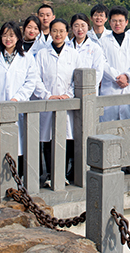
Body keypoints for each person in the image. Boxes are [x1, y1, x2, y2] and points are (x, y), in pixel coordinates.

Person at [98, 6, 130, 174]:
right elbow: (102, 63)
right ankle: (112, 163)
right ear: (109, 22)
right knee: (110, 127)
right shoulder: (103, 42)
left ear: (126, 22)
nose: (117, 24)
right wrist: (116, 77)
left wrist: (127, 76)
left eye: (120, 21)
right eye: (114, 21)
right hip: (111, 88)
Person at [33, 18, 80, 186]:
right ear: (50, 32)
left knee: (65, 138)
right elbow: (36, 78)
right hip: (48, 101)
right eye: (54, 31)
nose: (58, 34)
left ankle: (62, 173)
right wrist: (47, 95)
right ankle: (49, 174)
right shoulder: (42, 54)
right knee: (48, 138)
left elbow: (77, 79)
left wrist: (68, 94)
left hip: (66, 103)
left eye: (61, 31)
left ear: (67, 33)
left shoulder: (73, 54)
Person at [0, 22, 38, 175]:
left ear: (18, 37)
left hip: (18, 105)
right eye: (5, 35)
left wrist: (17, 98)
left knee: (19, 144)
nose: (8, 39)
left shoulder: (27, 58)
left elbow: (31, 82)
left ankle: (19, 177)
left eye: (11, 35)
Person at [69, 13, 105, 90]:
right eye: (76, 26)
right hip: (68, 90)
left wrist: (87, 86)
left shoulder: (95, 48)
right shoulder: (66, 47)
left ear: (88, 27)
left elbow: (98, 72)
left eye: (83, 25)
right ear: (71, 28)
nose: (80, 29)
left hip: (89, 89)